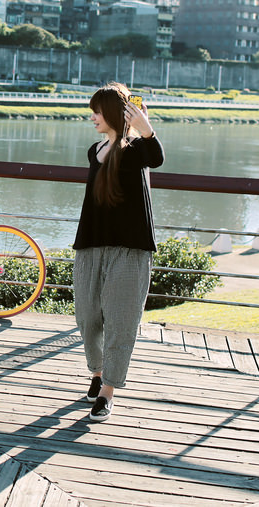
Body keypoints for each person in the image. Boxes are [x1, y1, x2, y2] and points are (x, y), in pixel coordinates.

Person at [72, 81, 164, 422]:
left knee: (121, 321)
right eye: (92, 111)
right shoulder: (94, 150)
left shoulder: (136, 150)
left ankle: (107, 391)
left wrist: (145, 128)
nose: (93, 117)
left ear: (113, 113)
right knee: (87, 316)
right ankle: (96, 372)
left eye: (98, 111)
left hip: (131, 247)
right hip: (91, 243)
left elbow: (156, 158)